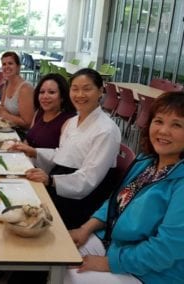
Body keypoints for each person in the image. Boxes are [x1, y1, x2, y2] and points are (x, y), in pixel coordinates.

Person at [65, 91, 184, 284]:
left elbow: (165, 250)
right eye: (159, 121)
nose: (163, 131)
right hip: (116, 244)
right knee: (61, 254)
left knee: (73, 276)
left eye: (176, 125)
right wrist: (85, 229)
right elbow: (117, 201)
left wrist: (110, 263)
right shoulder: (147, 162)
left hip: (154, 273)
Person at [19, 68, 121, 230]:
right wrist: (34, 151)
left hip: (82, 200)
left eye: (87, 89)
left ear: (100, 91)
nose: (80, 95)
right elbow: (62, 154)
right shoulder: (73, 121)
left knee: (25, 213)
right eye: (75, 89)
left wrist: (51, 180)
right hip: (61, 182)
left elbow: (89, 178)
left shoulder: (106, 130)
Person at [15, 73, 75, 151]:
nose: (45, 96)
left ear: (62, 97)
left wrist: (31, 151)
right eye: (42, 92)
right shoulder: (39, 112)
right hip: (26, 161)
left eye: (51, 92)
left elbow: (62, 155)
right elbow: (28, 139)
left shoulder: (68, 121)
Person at [0, 51, 35, 136]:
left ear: (18, 67)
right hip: (8, 128)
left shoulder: (25, 89)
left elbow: (27, 124)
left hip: (21, 135)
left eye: (10, 63)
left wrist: (3, 114)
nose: (6, 67)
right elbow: (3, 107)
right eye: (4, 64)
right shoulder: (7, 83)